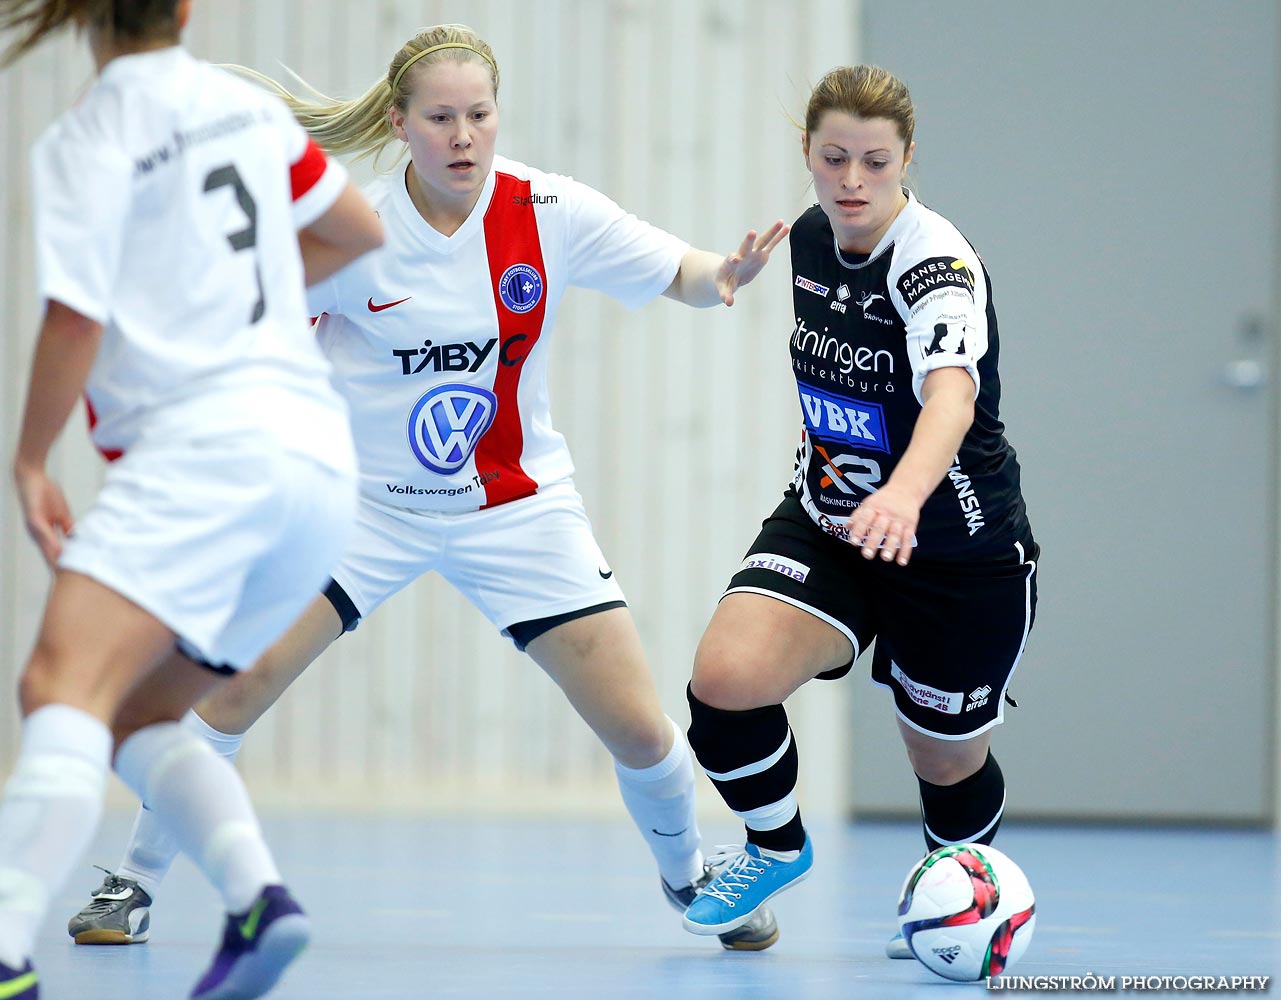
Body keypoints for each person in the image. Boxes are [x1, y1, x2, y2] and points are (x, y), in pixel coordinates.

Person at [66, 23, 790, 954]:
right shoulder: (347, 229)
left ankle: (693, 881)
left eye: (479, 116)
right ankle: (132, 882)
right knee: (230, 688)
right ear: (401, 126)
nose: (463, 136)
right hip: (364, 513)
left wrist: (723, 274)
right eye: (440, 117)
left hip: (517, 512)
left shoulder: (550, 210)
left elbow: (682, 272)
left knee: (644, 735)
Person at [0, 1, 384, 996]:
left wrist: (32, 459)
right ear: (185, 9)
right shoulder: (243, 109)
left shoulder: (88, 133)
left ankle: (3, 947)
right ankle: (259, 903)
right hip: (316, 467)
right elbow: (357, 228)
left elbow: (75, 315)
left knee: (58, 687)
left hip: (204, 456)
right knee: (134, 711)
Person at [675, 65, 1039, 958]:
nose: (851, 181)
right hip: (830, 524)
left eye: (874, 162)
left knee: (942, 759)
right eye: (833, 157)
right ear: (806, 150)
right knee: (724, 684)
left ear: (907, 159)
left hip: (957, 549)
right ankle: (774, 846)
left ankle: (956, 898)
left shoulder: (935, 264)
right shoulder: (807, 236)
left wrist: (904, 496)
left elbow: (950, 397)